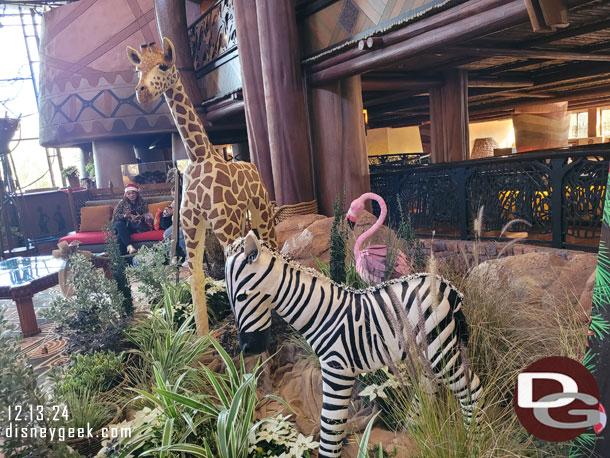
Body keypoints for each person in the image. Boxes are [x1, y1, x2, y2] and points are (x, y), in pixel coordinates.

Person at [112, 183, 150, 255]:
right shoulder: (122, 202)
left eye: (133, 193)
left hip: (132, 225)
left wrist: (139, 217)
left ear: (137, 193)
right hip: (121, 222)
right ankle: (129, 246)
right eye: (128, 194)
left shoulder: (142, 202)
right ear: (126, 195)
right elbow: (116, 216)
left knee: (120, 236)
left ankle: (124, 259)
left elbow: (147, 215)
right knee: (119, 224)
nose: (131, 195)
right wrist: (124, 216)